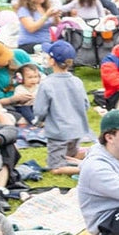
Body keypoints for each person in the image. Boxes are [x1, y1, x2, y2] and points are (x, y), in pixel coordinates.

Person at [34, 40, 91, 176]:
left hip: (58, 133)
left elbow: (40, 110)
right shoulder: (77, 81)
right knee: (70, 155)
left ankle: (87, 170)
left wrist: (38, 122)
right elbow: (86, 105)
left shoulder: (47, 84)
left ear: (52, 61)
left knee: (54, 167)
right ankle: (86, 154)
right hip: (77, 130)